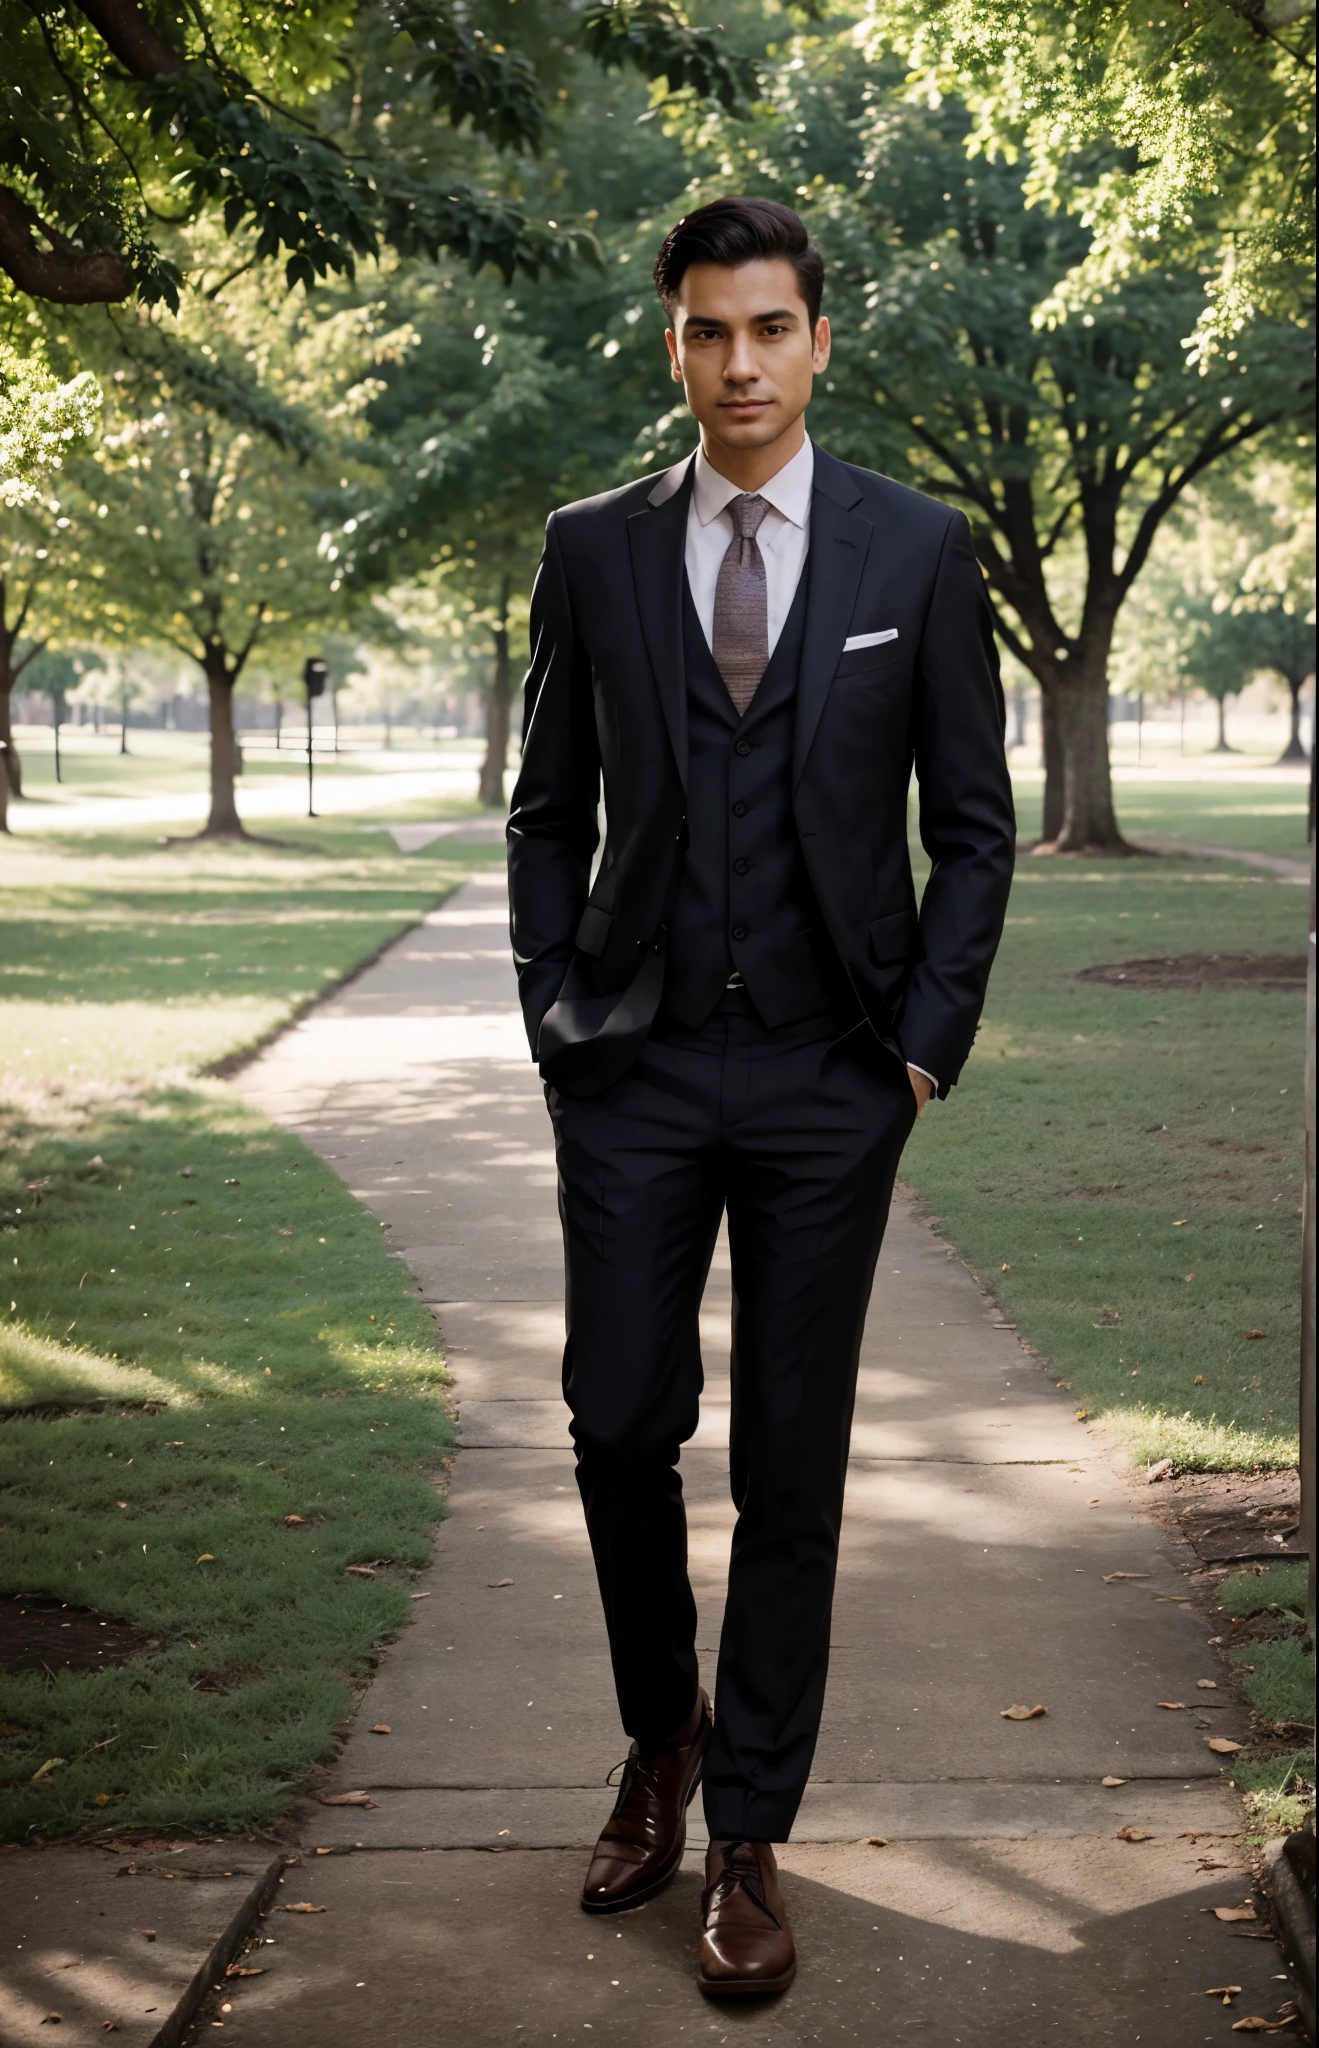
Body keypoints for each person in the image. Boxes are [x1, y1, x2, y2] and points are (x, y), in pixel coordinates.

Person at [507, 195, 1015, 1996]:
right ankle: (664, 1737)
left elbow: (971, 823)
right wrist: (552, 1008)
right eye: (709, 331)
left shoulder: (916, 552)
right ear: (674, 345)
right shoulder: (593, 548)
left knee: (792, 1465)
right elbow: (547, 802)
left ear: (818, 340)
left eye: (770, 328)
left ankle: (749, 1839)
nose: (740, 362)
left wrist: (925, 1040)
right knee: (616, 1425)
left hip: (827, 1076)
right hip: (635, 1065)